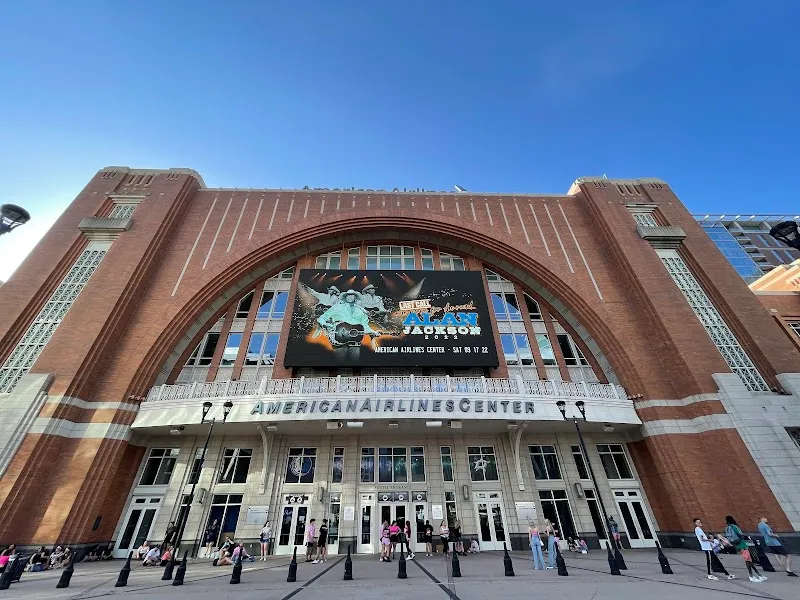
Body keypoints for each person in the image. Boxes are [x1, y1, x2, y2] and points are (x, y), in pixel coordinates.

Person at [725, 515, 765, 582]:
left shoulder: (727, 528)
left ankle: (758, 575)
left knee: (748, 560)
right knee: (748, 560)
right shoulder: (734, 526)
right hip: (742, 544)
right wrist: (747, 537)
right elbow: (740, 534)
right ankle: (752, 576)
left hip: (737, 544)